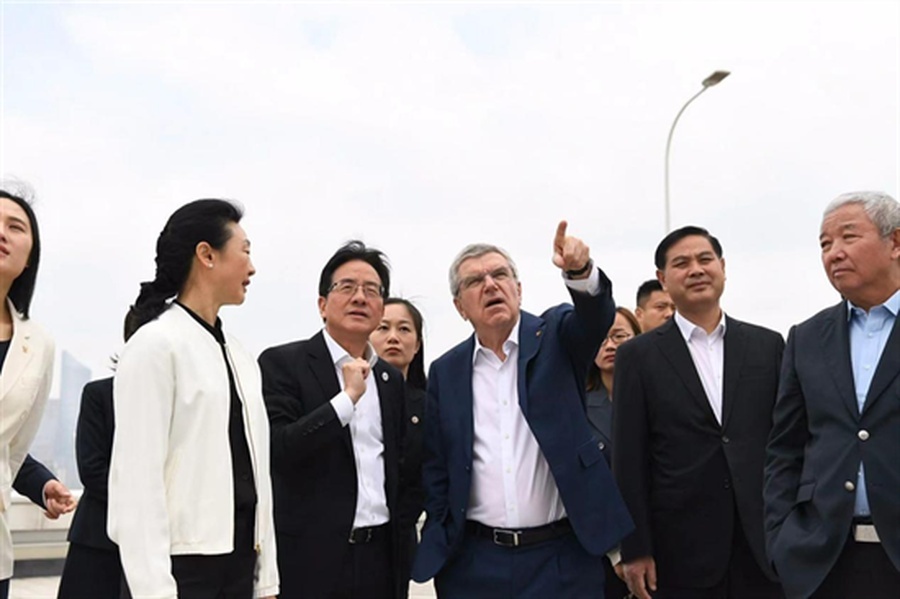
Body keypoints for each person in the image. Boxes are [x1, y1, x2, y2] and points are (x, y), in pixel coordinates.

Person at [412, 221, 633, 598]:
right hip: (474, 564)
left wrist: (580, 273)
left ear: (519, 289)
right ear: (459, 306)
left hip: (562, 558)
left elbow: (594, 317)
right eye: (474, 281)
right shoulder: (446, 372)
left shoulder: (556, 338)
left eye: (500, 275)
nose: (490, 285)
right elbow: (437, 464)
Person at [107, 199, 278, 599]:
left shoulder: (240, 355)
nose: (252, 268)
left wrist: (266, 579)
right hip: (179, 571)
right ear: (207, 255)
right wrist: (154, 591)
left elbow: (259, 476)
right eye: (245, 251)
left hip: (239, 563)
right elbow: (136, 482)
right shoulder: (155, 345)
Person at [613, 225, 785, 599]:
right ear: (663, 278)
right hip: (678, 552)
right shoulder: (638, 357)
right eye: (681, 263)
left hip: (763, 546)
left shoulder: (767, 346)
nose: (696, 269)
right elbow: (628, 458)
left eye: (705, 259)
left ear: (722, 266)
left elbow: (786, 444)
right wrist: (635, 547)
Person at [258, 242, 414, 599]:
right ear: (322, 304)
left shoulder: (389, 380)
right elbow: (279, 449)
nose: (360, 297)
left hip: (381, 559)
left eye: (371, 290)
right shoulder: (283, 364)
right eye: (346, 287)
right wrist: (346, 401)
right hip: (310, 562)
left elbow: (403, 467)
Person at [764, 191, 900, 599]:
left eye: (848, 237)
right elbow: (784, 449)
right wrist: (780, 539)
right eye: (825, 244)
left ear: (895, 243)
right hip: (823, 561)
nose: (834, 253)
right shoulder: (806, 338)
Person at [58, 314, 137, 599]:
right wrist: (146, 502)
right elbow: (91, 470)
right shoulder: (100, 394)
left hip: (154, 544)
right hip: (98, 538)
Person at [0, 189, 55, 599]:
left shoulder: (37, 345)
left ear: (29, 256)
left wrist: (40, 485)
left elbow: (12, 447)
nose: (1, 233)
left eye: (15, 227)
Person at [370, 298, 428, 594]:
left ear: (417, 344)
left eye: (404, 329)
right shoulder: (350, 399)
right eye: (382, 328)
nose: (393, 337)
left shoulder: (430, 405)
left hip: (399, 544)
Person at [585, 306, 641, 599]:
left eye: (619, 336)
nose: (609, 346)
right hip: (602, 552)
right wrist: (616, 551)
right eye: (601, 339)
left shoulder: (659, 398)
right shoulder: (578, 408)